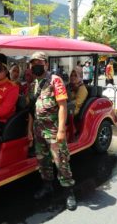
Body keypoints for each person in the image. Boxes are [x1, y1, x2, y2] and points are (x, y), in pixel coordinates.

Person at [27, 51, 77, 211]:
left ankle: (69, 192)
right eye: (33, 64)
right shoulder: (32, 85)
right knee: (43, 161)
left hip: (54, 130)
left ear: (46, 64)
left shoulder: (55, 81)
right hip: (38, 131)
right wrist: (29, 131)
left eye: (39, 63)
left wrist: (62, 130)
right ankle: (47, 185)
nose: (36, 66)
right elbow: (31, 111)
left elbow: (62, 106)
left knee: (61, 161)